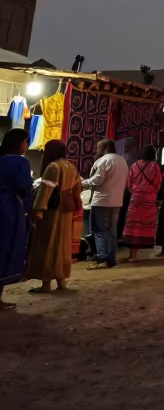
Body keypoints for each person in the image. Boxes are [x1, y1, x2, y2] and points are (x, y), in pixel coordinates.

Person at [24, 139, 82, 293]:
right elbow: (78, 190)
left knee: (47, 245)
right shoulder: (71, 167)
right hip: (66, 212)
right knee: (62, 246)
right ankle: (61, 282)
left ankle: (46, 285)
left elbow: (45, 192)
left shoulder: (53, 167)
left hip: (52, 212)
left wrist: (37, 210)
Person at [81, 138, 129, 270]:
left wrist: (82, 183)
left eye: (98, 148)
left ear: (105, 148)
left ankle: (102, 258)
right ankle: (111, 260)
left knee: (99, 230)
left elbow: (98, 180)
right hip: (117, 201)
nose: (97, 150)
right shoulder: (122, 160)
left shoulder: (103, 160)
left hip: (101, 200)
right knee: (112, 231)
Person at [0, 128, 33, 309]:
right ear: (20, 143)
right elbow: (24, 186)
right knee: (6, 248)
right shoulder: (20, 162)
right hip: (8, 209)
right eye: (26, 142)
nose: (26, 146)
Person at [123, 145, 162, 259]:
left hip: (135, 198)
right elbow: (157, 183)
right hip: (149, 199)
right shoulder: (155, 166)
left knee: (134, 224)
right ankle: (140, 251)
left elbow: (129, 183)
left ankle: (132, 255)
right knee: (145, 225)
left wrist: (135, 190)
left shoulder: (135, 165)